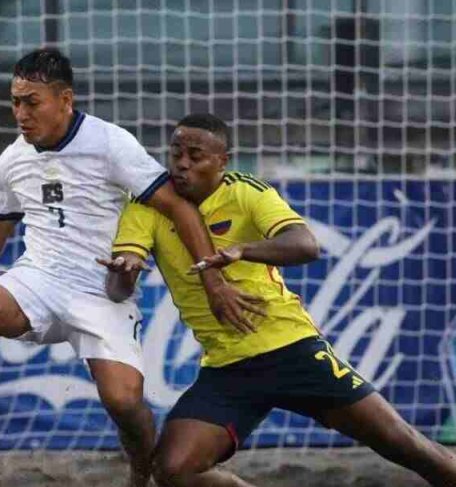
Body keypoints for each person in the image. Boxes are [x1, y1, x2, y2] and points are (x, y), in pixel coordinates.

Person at [101, 112, 456, 487]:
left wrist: (243, 251)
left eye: (195, 156)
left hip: (290, 349)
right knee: (173, 468)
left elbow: (305, 245)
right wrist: (125, 270)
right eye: (176, 153)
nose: (182, 165)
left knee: (401, 442)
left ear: (221, 162)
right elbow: (117, 290)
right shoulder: (147, 205)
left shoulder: (246, 192)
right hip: (228, 367)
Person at [0, 49, 262, 487]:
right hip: (38, 279)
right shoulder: (12, 159)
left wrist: (213, 279)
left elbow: (178, 206)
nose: (21, 113)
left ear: (65, 99)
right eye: (15, 101)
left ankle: (141, 470)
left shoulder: (109, 143)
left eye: (32, 102)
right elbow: (4, 226)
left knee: (123, 402)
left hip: (103, 291)